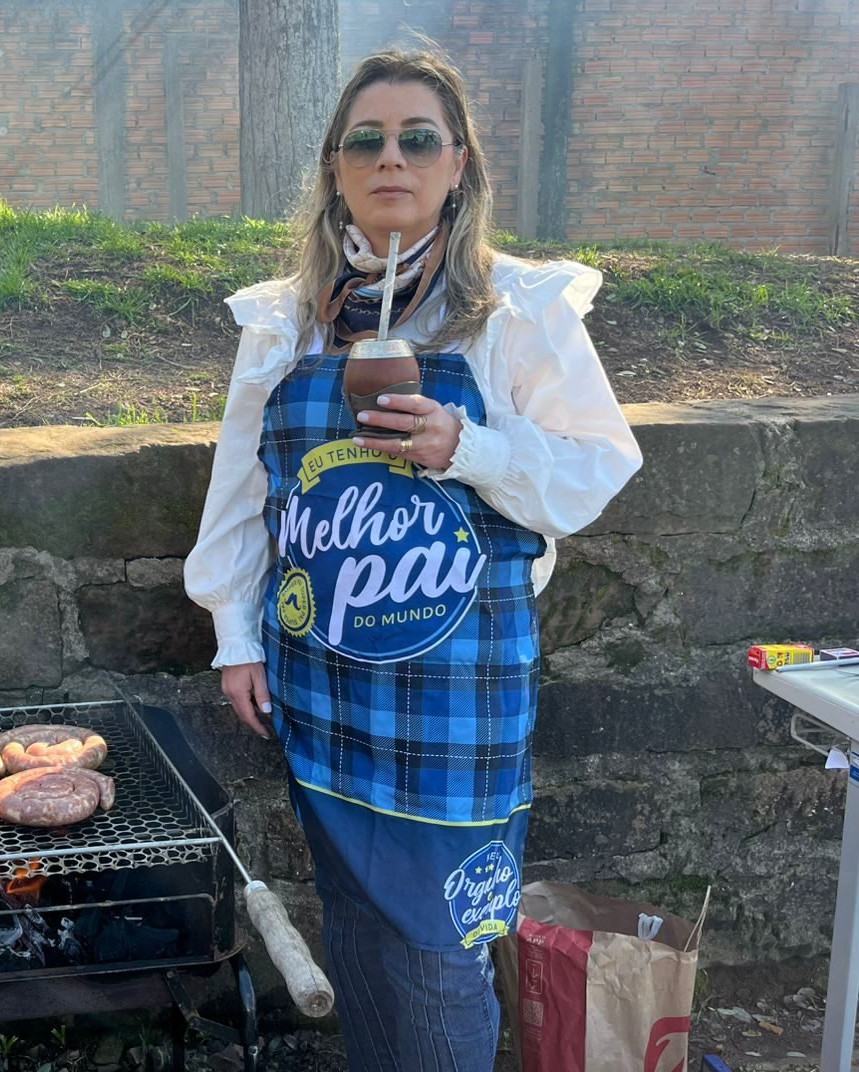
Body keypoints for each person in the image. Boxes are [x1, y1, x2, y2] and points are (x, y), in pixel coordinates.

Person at [184, 48, 642, 1071]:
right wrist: (235, 634)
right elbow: (244, 490)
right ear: (335, 167)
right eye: (367, 141)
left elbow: (596, 467)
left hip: (456, 696)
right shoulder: (286, 321)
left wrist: (465, 447)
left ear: (458, 162)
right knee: (352, 919)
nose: (391, 158)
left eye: (417, 139)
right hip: (322, 676)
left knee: (441, 952)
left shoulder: (514, 310)